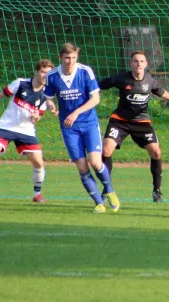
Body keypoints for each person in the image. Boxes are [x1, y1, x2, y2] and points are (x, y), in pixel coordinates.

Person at [98, 50, 169, 202]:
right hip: (120, 121)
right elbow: (104, 83)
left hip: (142, 122)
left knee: (156, 152)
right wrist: (91, 89)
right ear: (131, 64)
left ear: (146, 64)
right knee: (106, 149)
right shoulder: (122, 78)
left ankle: (157, 191)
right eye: (135, 61)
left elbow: (160, 91)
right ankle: (107, 190)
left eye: (141, 61)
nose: (139, 64)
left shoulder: (150, 81)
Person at [44, 42, 119, 213]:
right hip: (69, 127)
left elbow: (95, 99)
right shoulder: (52, 76)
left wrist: (76, 112)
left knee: (95, 161)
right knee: (82, 166)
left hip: (89, 123)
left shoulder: (85, 71)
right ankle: (99, 203)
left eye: (73, 58)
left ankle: (110, 191)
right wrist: (52, 106)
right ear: (60, 58)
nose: (70, 61)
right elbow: (49, 97)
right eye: (67, 58)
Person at [0, 59, 55, 203]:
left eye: (48, 74)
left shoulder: (46, 95)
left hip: (26, 131)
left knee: (39, 164)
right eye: (42, 72)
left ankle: (37, 195)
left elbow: (38, 117)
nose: (44, 76)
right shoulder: (20, 83)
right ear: (36, 71)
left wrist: (35, 117)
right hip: (6, 126)